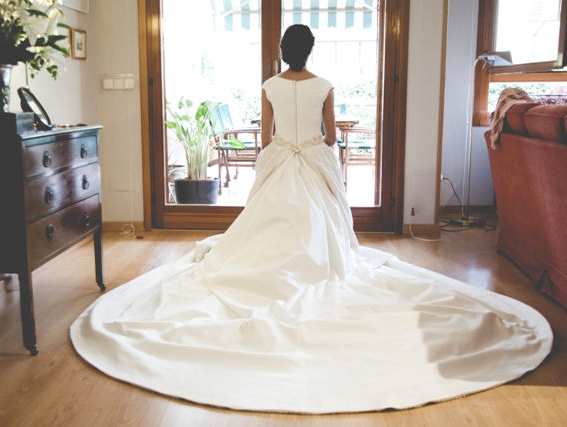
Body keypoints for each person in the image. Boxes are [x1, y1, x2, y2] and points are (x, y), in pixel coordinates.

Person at [71, 25, 552, 414]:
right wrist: (323, 155)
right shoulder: (325, 85)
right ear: (311, 50)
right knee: (324, 223)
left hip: (281, 157)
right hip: (311, 156)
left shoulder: (268, 85)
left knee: (265, 219)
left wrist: (280, 151)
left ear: (282, 52)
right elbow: (328, 135)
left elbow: (268, 132)